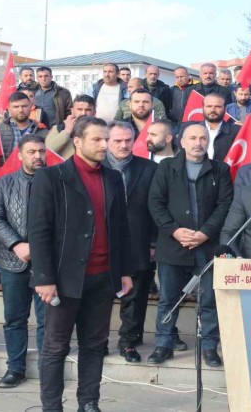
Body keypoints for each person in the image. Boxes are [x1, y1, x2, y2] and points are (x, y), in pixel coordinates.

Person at [28, 116, 133, 412]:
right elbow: (38, 231)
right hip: (64, 279)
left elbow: (121, 228)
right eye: (97, 139)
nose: (104, 145)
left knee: (94, 345)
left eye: (106, 139)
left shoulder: (113, 177)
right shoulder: (51, 177)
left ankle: (88, 402)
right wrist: (44, 278)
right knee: (55, 347)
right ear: (77, 141)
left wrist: (124, 271)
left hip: (103, 277)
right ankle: (52, 407)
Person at [147, 124, 233, 367]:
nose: (198, 142)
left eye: (203, 138)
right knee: (168, 298)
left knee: (209, 300)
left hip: (207, 246)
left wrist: (205, 233)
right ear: (182, 142)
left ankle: (209, 347)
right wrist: (174, 231)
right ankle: (163, 344)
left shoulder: (220, 170)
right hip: (172, 245)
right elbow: (155, 203)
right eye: (193, 138)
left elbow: (225, 205)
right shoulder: (166, 167)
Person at [0, 135, 48, 388]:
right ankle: (15, 368)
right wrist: (16, 244)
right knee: (14, 319)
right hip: (12, 262)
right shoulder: (5, 183)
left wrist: (41, 248)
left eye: (41, 151)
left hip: (47, 264)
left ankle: (48, 368)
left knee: (48, 320)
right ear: (20, 155)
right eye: (32, 151)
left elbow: (66, 220)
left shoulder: (57, 182)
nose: (37, 156)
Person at [101, 122, 159, 364]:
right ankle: (98, 342)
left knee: (135, 297)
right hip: (102, 243)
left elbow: (157, 208)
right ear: (107, 141)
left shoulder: (149, 168)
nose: (123, 145)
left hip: (138, 242)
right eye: (117, 141)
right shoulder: (96, 167)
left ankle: (129, 342)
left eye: (128, 140)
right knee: (101, 297)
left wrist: (154, 242)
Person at [178, 93, 241, 162]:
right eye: (209, 106)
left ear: (225, 109)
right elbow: (180, 154)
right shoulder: (188, 128)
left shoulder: (237, 131)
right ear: (203, 108)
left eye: (217, 106)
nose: (212, 110)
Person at [0, 92, 49, 160]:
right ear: (9, 108)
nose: (20, 110)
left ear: (31, 107)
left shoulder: (43, 131)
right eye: (16, 107)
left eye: (24, 106)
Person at [45, 94, 96, 159]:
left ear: (94, 112)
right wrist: (67, 131)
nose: (83, 113)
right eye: (79, 109)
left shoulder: (100, 130)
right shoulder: (59, 128)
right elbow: (47, 151)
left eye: (88, 110)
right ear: (72, 111)